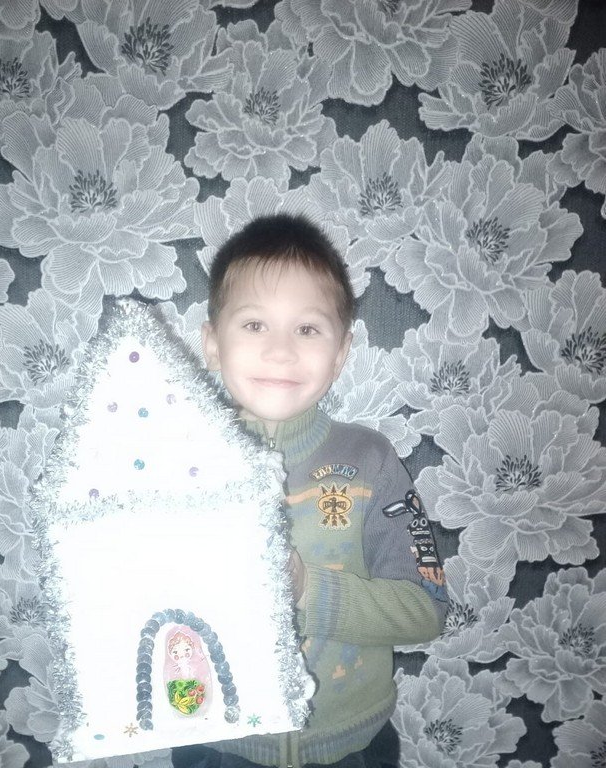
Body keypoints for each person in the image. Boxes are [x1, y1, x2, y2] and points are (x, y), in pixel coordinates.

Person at [176, 214, 447, 768]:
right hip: (217, 744)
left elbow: (427, 610)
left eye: (307, 329)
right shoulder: (177, 466)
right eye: (255, 324)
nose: (280, 350)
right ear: (212, 343)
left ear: (341, 353)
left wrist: (307, 590)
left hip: (350, 747)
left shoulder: (372, 462)